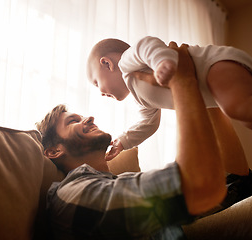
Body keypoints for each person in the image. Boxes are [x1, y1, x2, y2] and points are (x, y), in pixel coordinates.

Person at [36, 43, 228, 239]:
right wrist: (183, 83)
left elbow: (222, 185)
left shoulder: (119, 182)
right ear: (54, 151)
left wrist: (205, 94)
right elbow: (199, 184)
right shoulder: (72, 194)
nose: (90, 118)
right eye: (73, 121)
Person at [86, 36, 252, 161]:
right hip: (216, 87)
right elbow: (148, 124)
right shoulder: (140, 98)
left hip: (213, 64)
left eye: (96, 83)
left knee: (236, 108)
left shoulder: (127, 62)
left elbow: (146, 45)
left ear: (107, 64)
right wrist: (123, 142)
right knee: (245, 118)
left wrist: (161, 62)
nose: (101, 93)